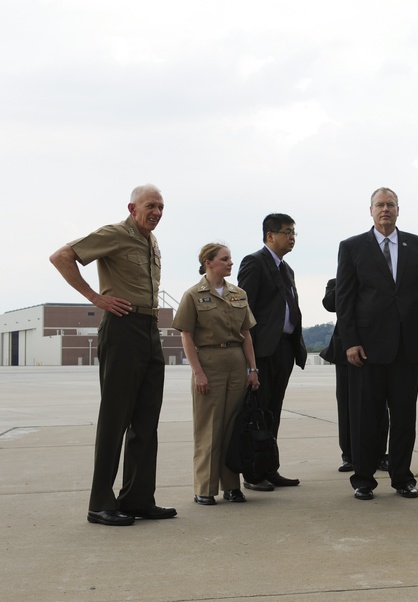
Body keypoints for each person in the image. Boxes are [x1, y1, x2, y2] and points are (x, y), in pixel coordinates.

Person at [49, 184, 176, 526]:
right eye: (151, 206)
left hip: (149, 329)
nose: (157, 213)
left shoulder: (151, 241)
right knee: (115, 418)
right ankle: (100, 503)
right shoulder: (115, 233)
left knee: (147, 419)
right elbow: (61, 256)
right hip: (122, 328)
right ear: (132, 207)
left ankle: (136, 498)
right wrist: (95, 296)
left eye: (162, 207)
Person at [336, 187, 418, 500]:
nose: (385, 210)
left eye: (390, 204)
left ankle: (402, 477)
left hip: (407, 348)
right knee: (366, 416)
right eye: (380, 205)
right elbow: (345, 298)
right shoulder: (351, 247)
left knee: (405, 417)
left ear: (398, 210)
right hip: (367, 348)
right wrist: (350, 341)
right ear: (371, 211)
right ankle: (363, 478)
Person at [173, 244, 260, 505]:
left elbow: (246, 335)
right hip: (208, 363)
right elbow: (186, 337)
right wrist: (197, 373)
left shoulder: (239, 294)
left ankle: (231, 486)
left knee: (233, 426)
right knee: (208, 427)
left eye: (230, 259)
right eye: (225, 259)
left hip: (235, 362)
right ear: (208, 263)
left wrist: (252, 369)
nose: (230, 263)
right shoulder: (193, 295)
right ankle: (204, 488)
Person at [237, 213, 307, 491]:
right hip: (263, 350)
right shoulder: (255, 262)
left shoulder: (286, 269)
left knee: (274, 410)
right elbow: (244, 309)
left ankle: (270, 468)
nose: (292, 238)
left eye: (294, 233)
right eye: (287, 232)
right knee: (259, 411)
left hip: (285, 348)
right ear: (270, 236)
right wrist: (249, 358)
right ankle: (253, 474)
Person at [320, 279, 389, 472]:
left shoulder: (378, 281)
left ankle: (380, 454)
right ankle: (349, 455)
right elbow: (330, 304)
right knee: (347, 404)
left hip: (376, 348)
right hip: (346, 352)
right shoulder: (337, 282)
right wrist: (348, 281)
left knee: (379, 405)